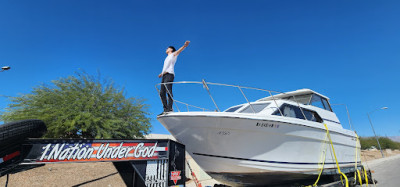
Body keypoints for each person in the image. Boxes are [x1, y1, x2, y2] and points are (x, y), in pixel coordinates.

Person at [158, 41, 190, 114]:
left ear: (171, 49)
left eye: (167, 48)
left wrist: (184, 46)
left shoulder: (173, 55)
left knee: (168, 90)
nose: (166, 49)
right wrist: (161, 73)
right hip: (164, 75)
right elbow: (166, 67)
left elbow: (179, 51)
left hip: (170, 75)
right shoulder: (166, 58)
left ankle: (170, 108)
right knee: (162, 93)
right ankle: (165, 109)